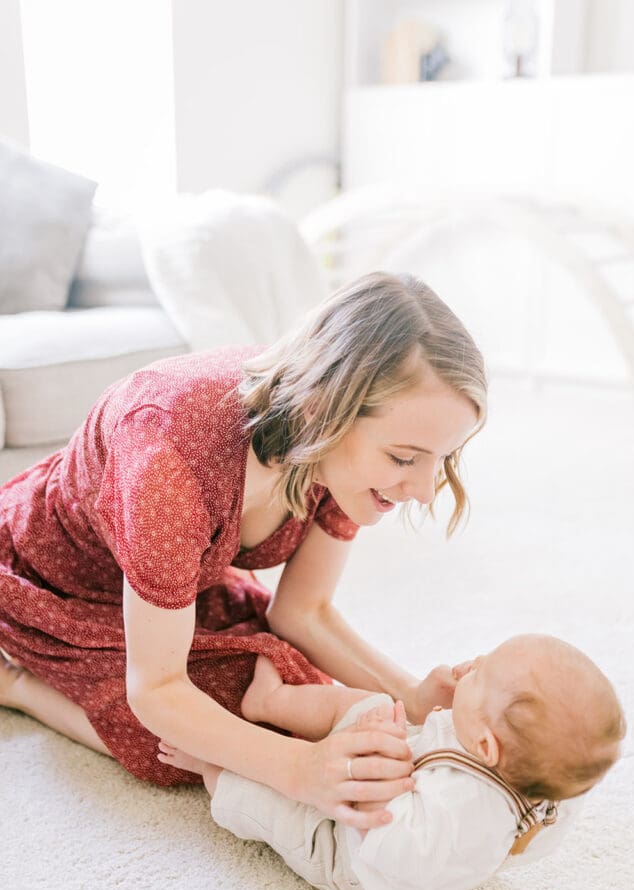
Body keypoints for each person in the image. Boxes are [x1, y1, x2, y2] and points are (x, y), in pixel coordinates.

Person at [0, 272, 486, 829]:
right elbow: (156, 689)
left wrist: (412, 698)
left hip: (172, 576)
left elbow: (303, 611)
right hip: (52, 579)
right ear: (322, 408)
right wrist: (300, 770)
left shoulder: (329, 452)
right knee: (182, 738)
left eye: (441, 460)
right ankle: (18, 686)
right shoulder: (170, 462)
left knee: (289, 690)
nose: (424, 491)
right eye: (405, 459)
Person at [157, 635, 626, 890]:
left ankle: (210, 765)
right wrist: (433, 716)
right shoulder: (528, 769)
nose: (474, 665)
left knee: (274, 808)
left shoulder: (461, 818)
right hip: (413, 782)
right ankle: (270, 703)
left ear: (485, 747)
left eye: (481, 677)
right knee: (372, 705)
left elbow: (393, 850)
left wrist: (386, 763)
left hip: (359, 853)